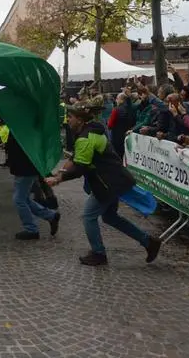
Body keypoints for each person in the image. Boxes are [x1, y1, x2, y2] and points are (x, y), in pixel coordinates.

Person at [45, 103, 162, 267]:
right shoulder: (91, 131)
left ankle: (99, 253)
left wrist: (58, 179)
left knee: (88, 216)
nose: (67, 120)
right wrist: (60, 172)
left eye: (70, 117)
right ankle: (149, 242)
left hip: (108, 183)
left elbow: (80, 167)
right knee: (110, 217)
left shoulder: (85, 137)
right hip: (113, 180)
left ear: (79, 119)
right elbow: (76, 159)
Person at [6, 131, 60, 240]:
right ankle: (51, 216)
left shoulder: (23, 129)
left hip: (24, 168)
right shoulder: (21, 128)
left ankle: (31, 229)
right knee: (24, 199)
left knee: (19, 199)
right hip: (23, 168)